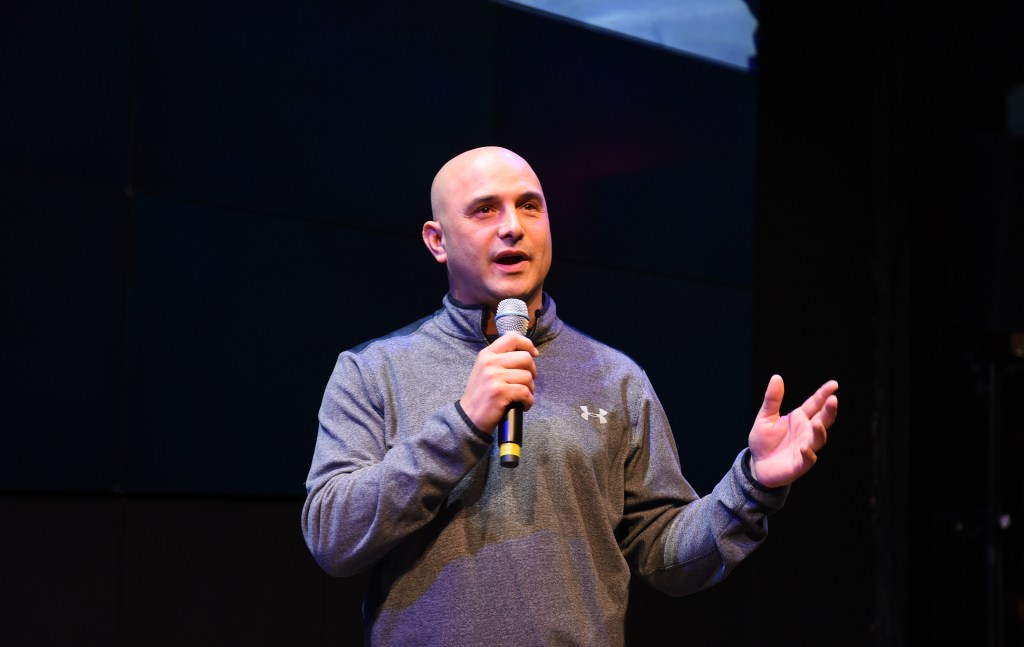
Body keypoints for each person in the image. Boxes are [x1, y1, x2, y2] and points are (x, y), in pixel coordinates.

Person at [301, 146, 839, 646]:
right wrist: (462, 425)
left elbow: (665, 556)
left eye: (529, 206)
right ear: (437, 240)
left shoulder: (615, 376)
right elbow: (332, 538)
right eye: (485, 210)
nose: (512, 227)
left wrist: (752, 486)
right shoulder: (373, 370)